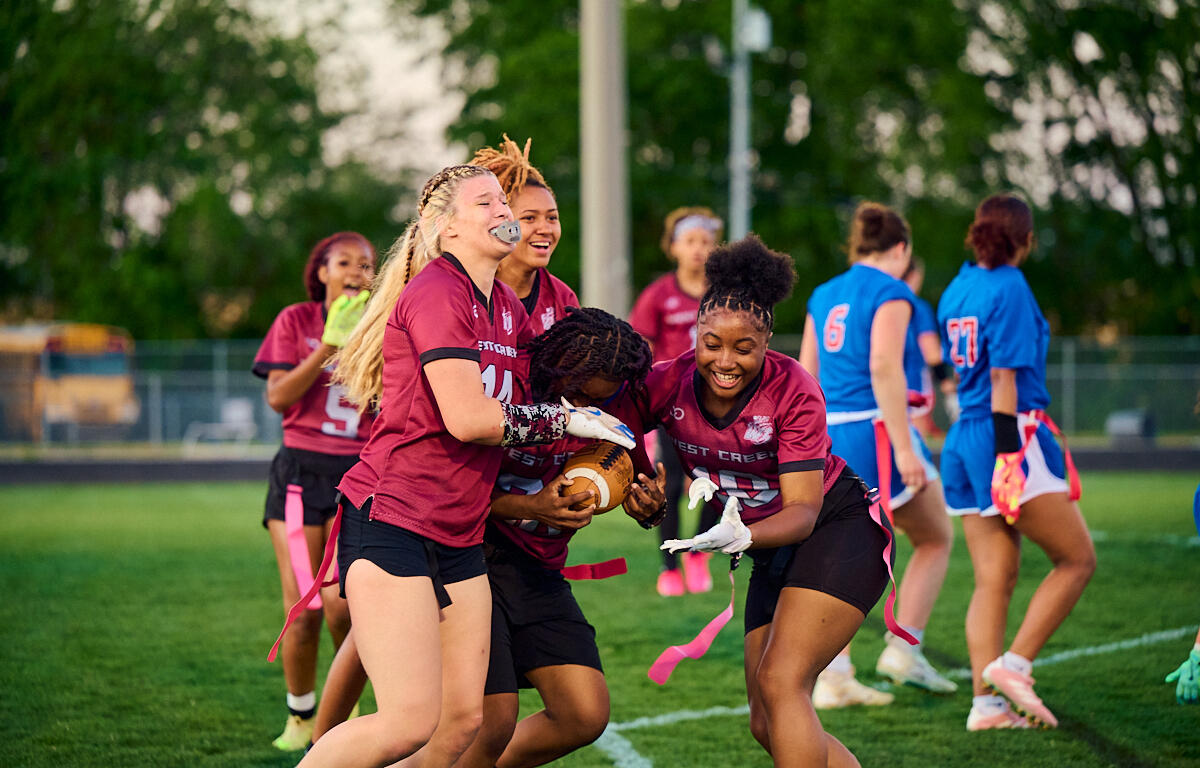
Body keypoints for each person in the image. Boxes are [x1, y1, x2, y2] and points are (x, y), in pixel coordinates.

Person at [293, 164, 634, 768]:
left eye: (505, 200)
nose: (505, 211)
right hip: (396, 519)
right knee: (406, 722)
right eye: (486, 203)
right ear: (444, 227)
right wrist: (566, 422)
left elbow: (557, 382)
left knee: (463, 724)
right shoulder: (437, 290)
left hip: (458, 532)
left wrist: (622, 444)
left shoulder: (505, 303)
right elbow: (469, 419)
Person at [652, 235, 896, 768]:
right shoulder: (667, 382)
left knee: (782, 681)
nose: (725, 360)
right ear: (695, 333)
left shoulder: (794, 388)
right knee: (765, 720)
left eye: (745, 347)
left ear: (767, 343)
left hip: (836, 527)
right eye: (712, 342)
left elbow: (804, 512)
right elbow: (613, 428)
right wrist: (632, 487)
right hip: (769, 544)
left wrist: (741, 535)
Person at [455, 306, 665, 768]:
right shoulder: (508, 385)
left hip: (537, 565)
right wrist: (531, 507)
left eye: (601, 399)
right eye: (578, 394)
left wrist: (649, 508)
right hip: (467, 556)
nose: (588, 406)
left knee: (583, 712)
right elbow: (448, 493)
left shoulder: (616, 398)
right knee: (491, 720)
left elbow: (636, 484)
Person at [938, 193, 1095, 730]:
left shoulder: (959, 285)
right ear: (1024, 238)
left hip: (963, 436)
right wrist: (1009, 458)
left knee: (994, 577)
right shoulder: (1009, 286)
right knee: (1077, 560)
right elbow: (1005, 379)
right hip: (1005, 436)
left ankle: (986, 705)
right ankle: (1016, 666)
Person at [800, 202, 957, 706]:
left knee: (847, 553)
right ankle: (902, 648)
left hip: (831, 433)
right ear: (901, 248)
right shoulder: (893, 290)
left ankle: (838, 672)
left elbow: (807, 374)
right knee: (933, 537)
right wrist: (906, 445)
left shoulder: (825, 292)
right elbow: (885, 367)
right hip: (876, 432)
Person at [252, 231, 376, 750]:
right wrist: (331, 343)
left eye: (367, 264)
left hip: (358, 477)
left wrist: (366, 336)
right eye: (344, 262)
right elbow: (278, 397)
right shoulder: (296, 321)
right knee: (303, 610)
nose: (356, 271)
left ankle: (343, 722)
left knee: (346, 610)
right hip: (302, 478)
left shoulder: (384, 326)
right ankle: (300, 715)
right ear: (321, 272)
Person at [629, 206, 723, 596]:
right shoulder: (659, 295)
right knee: (669, 485)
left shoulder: (724, 294)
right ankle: (669, 566)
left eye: (706, 241)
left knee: (719, 482)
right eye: (690, 241)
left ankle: (698, 553)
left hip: (718, 405)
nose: (699, 249)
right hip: (673, 406)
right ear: (674, 248)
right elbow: (639, 349)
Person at [471, 135, 579, 335]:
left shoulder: (563, 299)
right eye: (529, 218)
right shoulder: (464, 294)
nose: (545, 229)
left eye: (552, 218)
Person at [901, 258, 958, 439]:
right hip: (913, 386)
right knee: (916, 445)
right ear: (914, 275)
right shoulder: (917, 307)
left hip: (879, 388)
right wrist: (945, 381)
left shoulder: (878, 304)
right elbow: (931, 350)